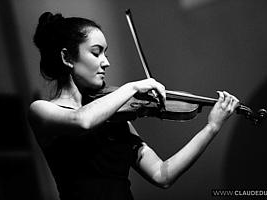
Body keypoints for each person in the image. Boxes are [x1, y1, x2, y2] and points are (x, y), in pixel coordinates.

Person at [28, 12, 240, 200]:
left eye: (106, 53)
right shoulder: (42, 111)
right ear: (67, 57)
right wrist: (131, 87)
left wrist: (211, 127)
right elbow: (82, 121)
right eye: (96, 52)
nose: (106, 62)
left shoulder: (116, 118)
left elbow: (162, 174)